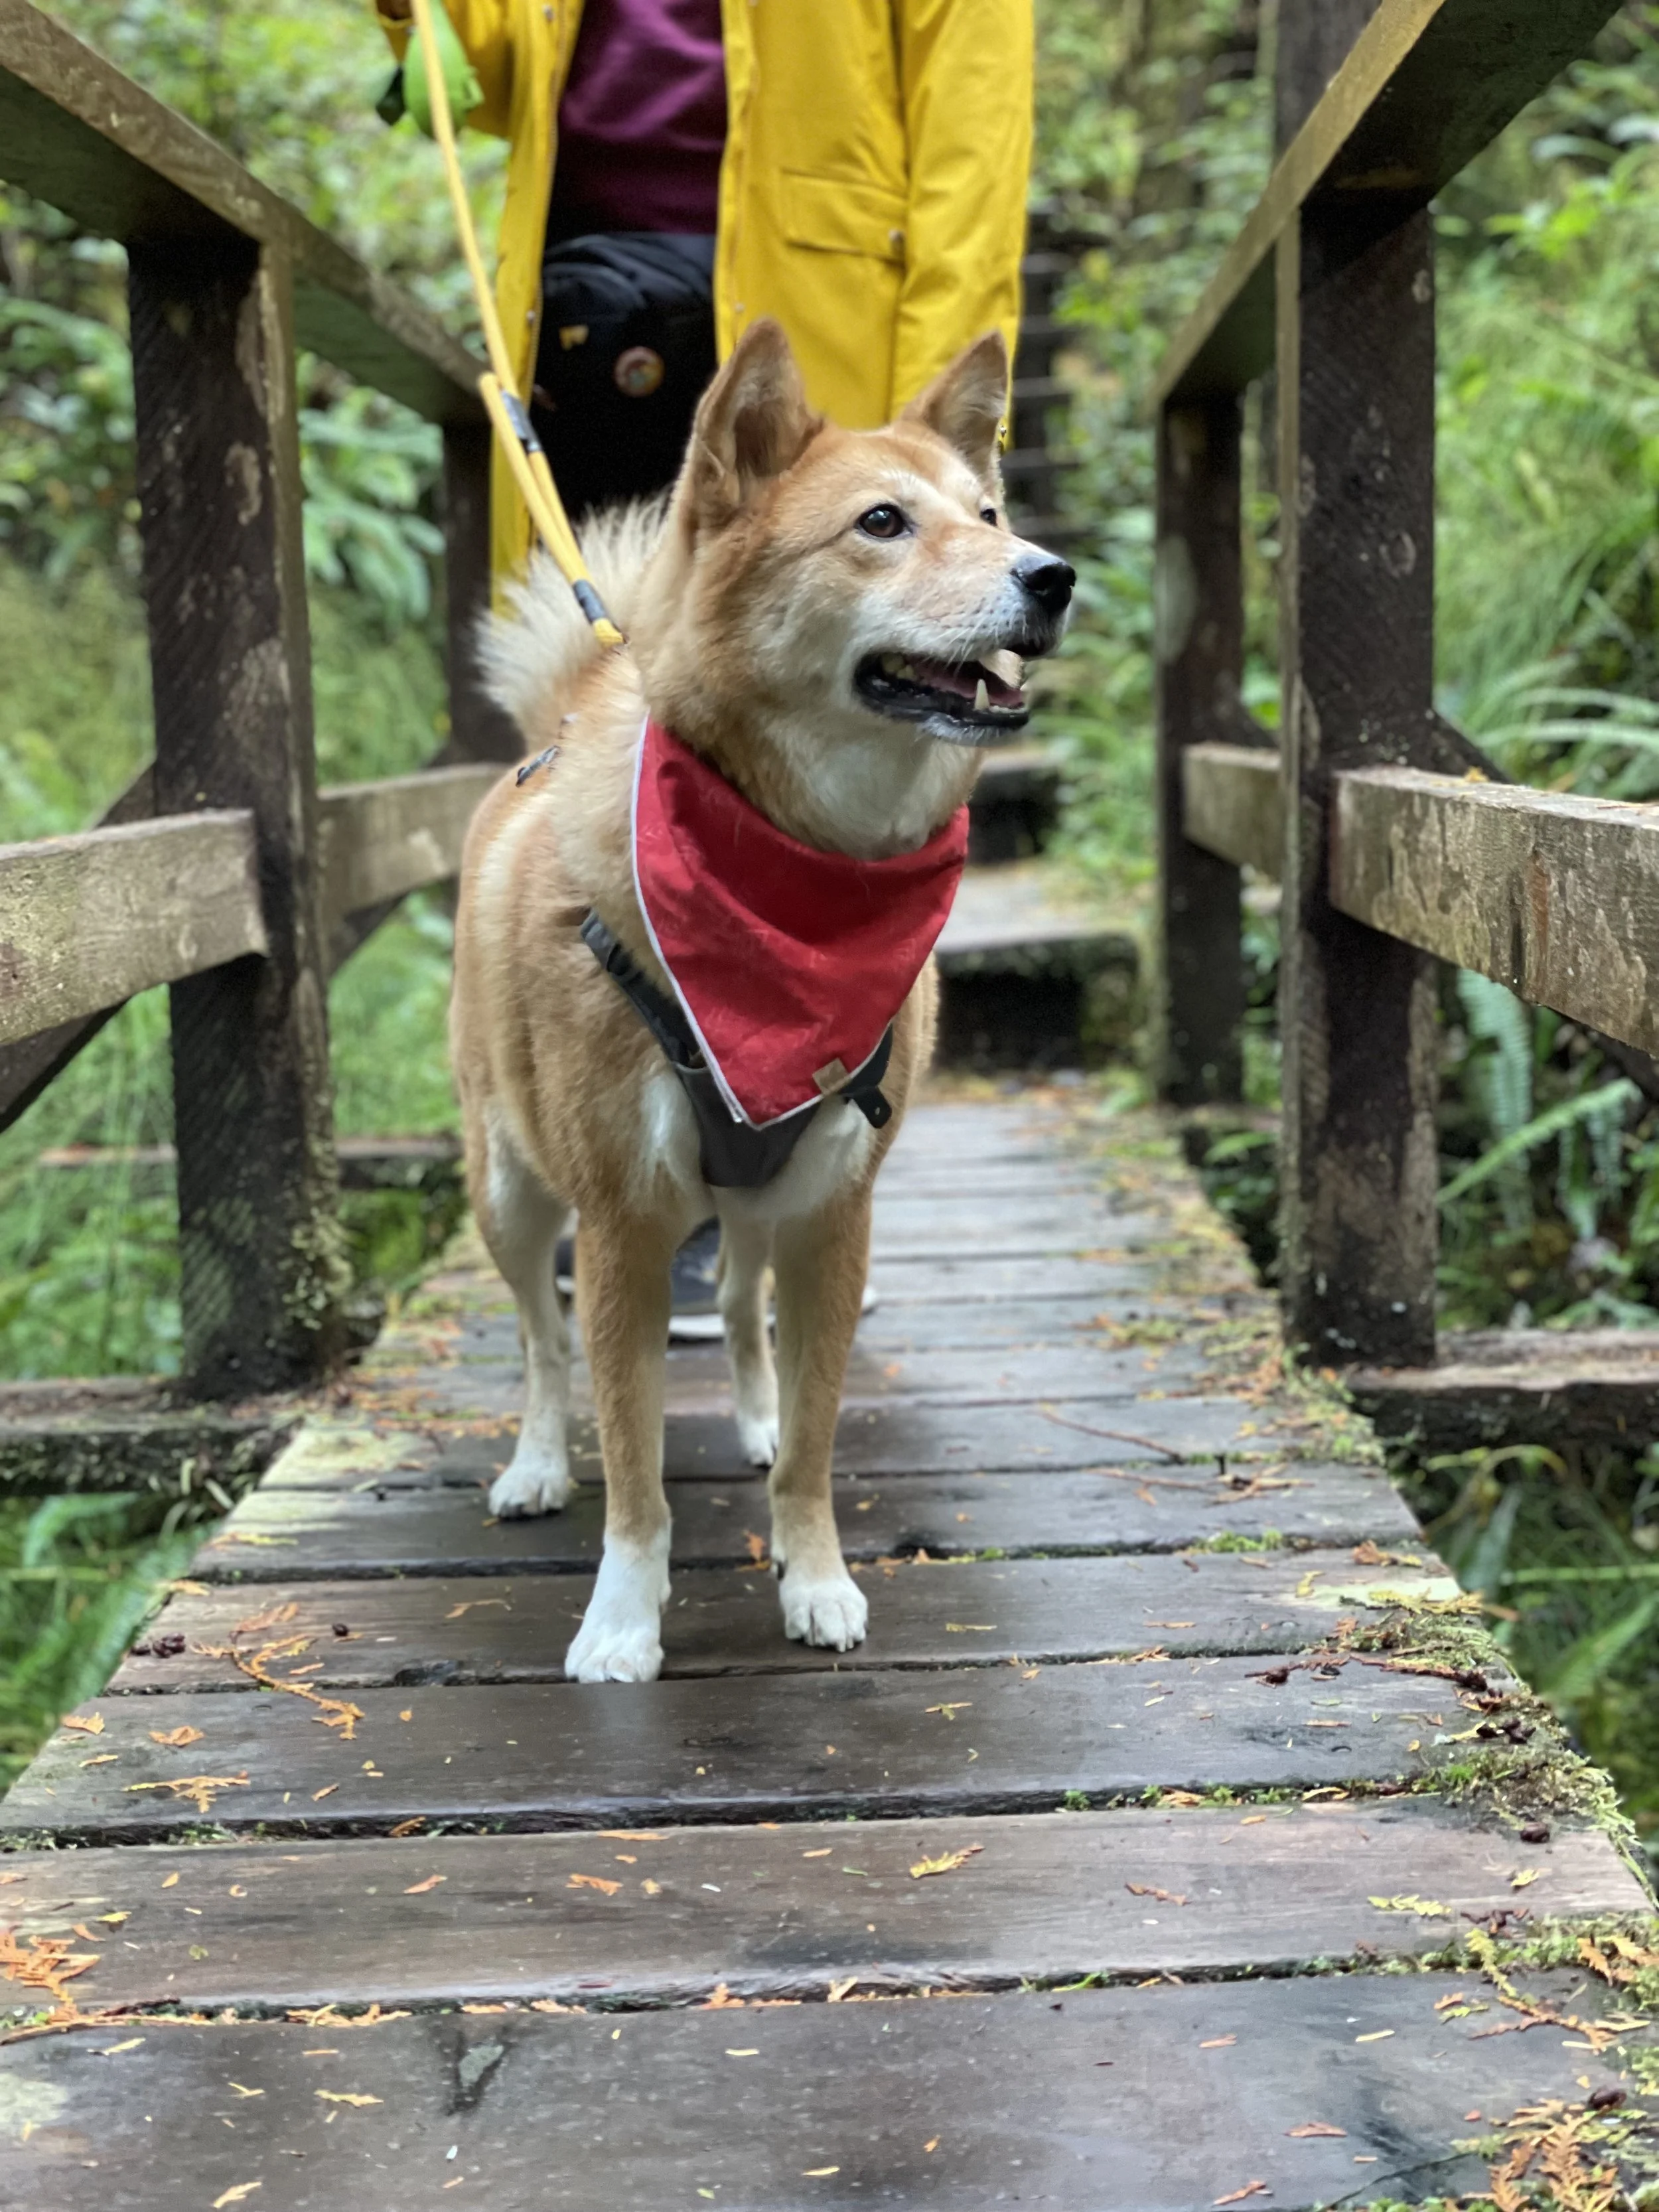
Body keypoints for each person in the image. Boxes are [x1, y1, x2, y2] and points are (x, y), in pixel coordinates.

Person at [373, 0, 1034, 1329]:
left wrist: (942, 463)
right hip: (584, 317)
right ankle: (644, 1150)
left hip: (821, 339)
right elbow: (515, 77)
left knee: (813, 777)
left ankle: (804, 1139)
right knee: (623, 747)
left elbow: (973, 141)